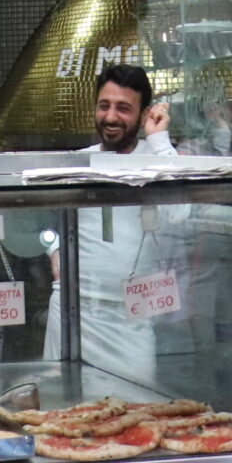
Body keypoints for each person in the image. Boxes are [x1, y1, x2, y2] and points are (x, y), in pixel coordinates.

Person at [41, 65, 176, 378]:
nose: (111, 117)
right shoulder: (78, 160)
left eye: (124, 108)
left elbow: (180, 211)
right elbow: (41, 223)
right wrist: (54, 247)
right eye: (104, 106)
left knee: (137, 410)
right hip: (71, 310)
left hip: (131, 319)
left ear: (143, 115)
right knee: (63, 413)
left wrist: (159, 139)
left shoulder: (156, 156)